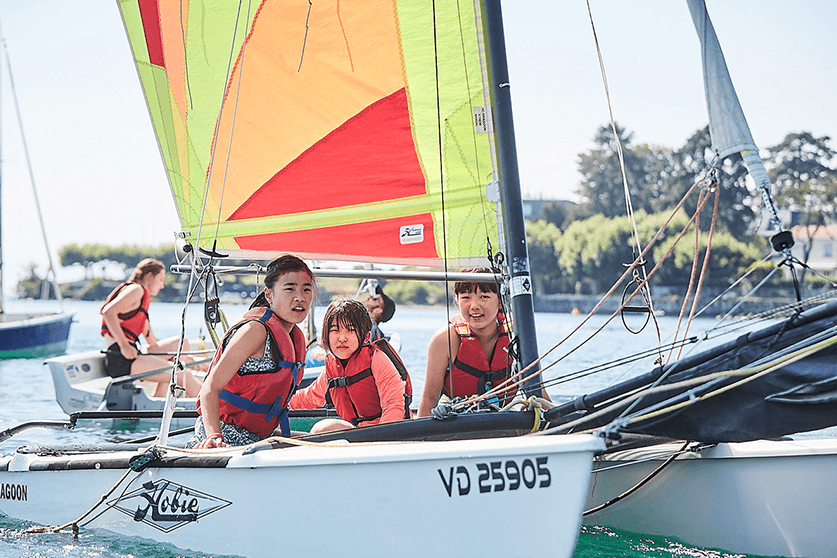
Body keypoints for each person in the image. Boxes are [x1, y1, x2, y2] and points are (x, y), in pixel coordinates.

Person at [187, 255, 315, 449]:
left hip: (260, 439)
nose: (300, 297)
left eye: (306, 289)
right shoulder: (255, 330)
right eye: (290, 289)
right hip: (225, 439)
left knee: (330, 436)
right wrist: (214, 436)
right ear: (269, 295)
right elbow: (209, 389)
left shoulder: (294, 338)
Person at [290, 298, 410, 433]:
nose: (342, 338)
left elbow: (394, 406)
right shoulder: (332, 367)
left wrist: (381, 443)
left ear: (366, 337)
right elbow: (310, 397)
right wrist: (280, 402)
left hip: (385, 433)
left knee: (321, 429)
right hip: (358, 431)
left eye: (350, 330)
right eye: (335, 330)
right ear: (326, 336)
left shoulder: (377, 359)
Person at [417, 269, 518, 417]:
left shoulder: (517, 335)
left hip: (503, 418)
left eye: (484, 297)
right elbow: (429, 400)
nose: (474, 305)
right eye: (466, 297)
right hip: (455, 418)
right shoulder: (444, 340)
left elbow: (539, 394)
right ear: (456, 301)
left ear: (501, 302)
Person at [100, 258, 202, 398]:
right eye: (160, 280)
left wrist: (189, 360)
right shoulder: (136, 289)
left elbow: (152, 341)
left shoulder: (140, 301)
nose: (162, 286)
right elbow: (108, 312)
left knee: (180, 343)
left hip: (131, 355)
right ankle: (211, 414)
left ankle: (158, 399)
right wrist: (124, 345)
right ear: (149, 276)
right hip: (121, 359)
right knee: (184, 375)